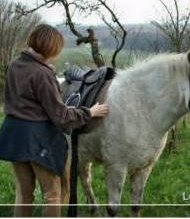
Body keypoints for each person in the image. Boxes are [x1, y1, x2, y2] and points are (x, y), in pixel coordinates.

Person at [0, 24, 109, 217]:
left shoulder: (16, 64)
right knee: (52, 194)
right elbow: (60, 116)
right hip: (37, 140)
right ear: (50, 48)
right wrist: (89, 112)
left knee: (23, 194)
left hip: (13, 135)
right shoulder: (43, 74)